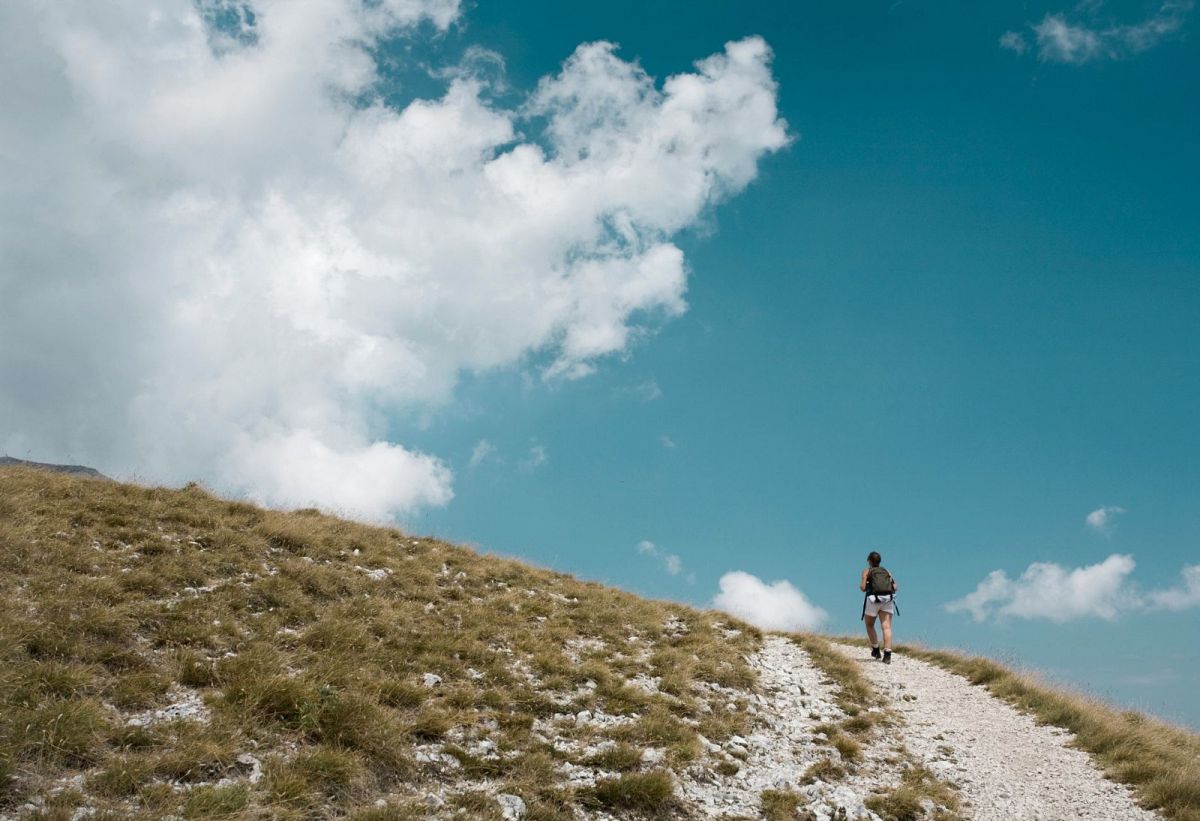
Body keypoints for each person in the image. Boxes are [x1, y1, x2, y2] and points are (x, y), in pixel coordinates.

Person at [860, 551, 897, 664]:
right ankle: (887, 654)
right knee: (886, 627)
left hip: (873, 600)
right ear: (879, 561)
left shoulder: (867, 571)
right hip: (887, 599)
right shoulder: (887, 571)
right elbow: (895, 587)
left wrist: (865, 583)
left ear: (869, 561)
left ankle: (876, 649)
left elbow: (862, 588)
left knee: (870, 624)